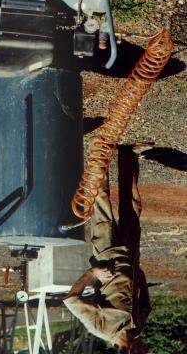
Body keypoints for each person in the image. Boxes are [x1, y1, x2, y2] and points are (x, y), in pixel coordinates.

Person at [63, 145, 152, 353]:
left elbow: (71, 300)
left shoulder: (101, 328)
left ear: (129, 352)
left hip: (107, 251)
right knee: (131, 205)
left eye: (142, 352)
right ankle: (128, 155)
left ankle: (100, 148)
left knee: (100, 198)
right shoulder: (137, 328)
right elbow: (146, 306)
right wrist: (140, 278)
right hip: (130, 256)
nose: (145, 348)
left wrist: (92, 273)